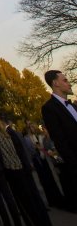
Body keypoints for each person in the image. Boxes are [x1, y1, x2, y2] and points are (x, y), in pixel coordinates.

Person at [42, 69, 77, 212]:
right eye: (65, 80)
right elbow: (60, 141)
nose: (69, 83)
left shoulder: (73, 106)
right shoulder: (49, 108)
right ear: (55, 83)